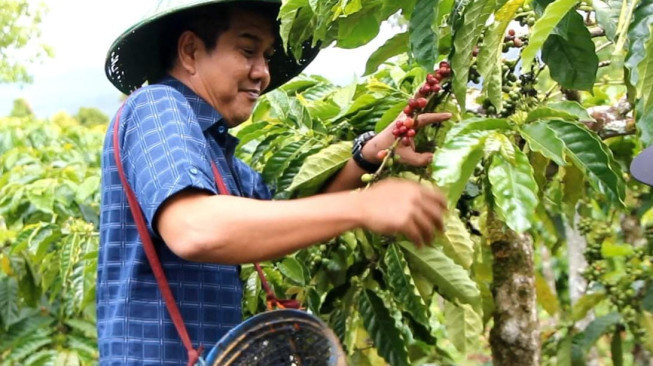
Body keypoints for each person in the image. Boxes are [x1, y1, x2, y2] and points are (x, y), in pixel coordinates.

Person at [98, 0, 451, 364]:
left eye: (266, 56)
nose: (262, 72)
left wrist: (369, 154)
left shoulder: (215, 151)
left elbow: (285, 219)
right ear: (190, 51)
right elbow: (194, 228)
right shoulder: (158, 104)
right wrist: (363, 206)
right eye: (248, 51)